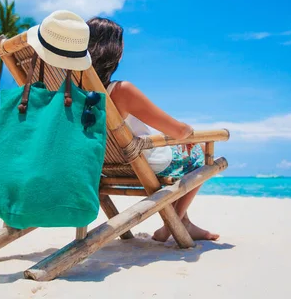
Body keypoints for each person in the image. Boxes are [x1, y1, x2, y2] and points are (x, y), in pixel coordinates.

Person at [87, 17, 219, 242]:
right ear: (113, 52)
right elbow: (177, 131)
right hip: (142, 163)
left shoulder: (74, 94)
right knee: (198, 154)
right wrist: (188, 130)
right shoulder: (120, 90)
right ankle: (174, 222)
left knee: (184, 149)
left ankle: (185, 223)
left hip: (105, 166)